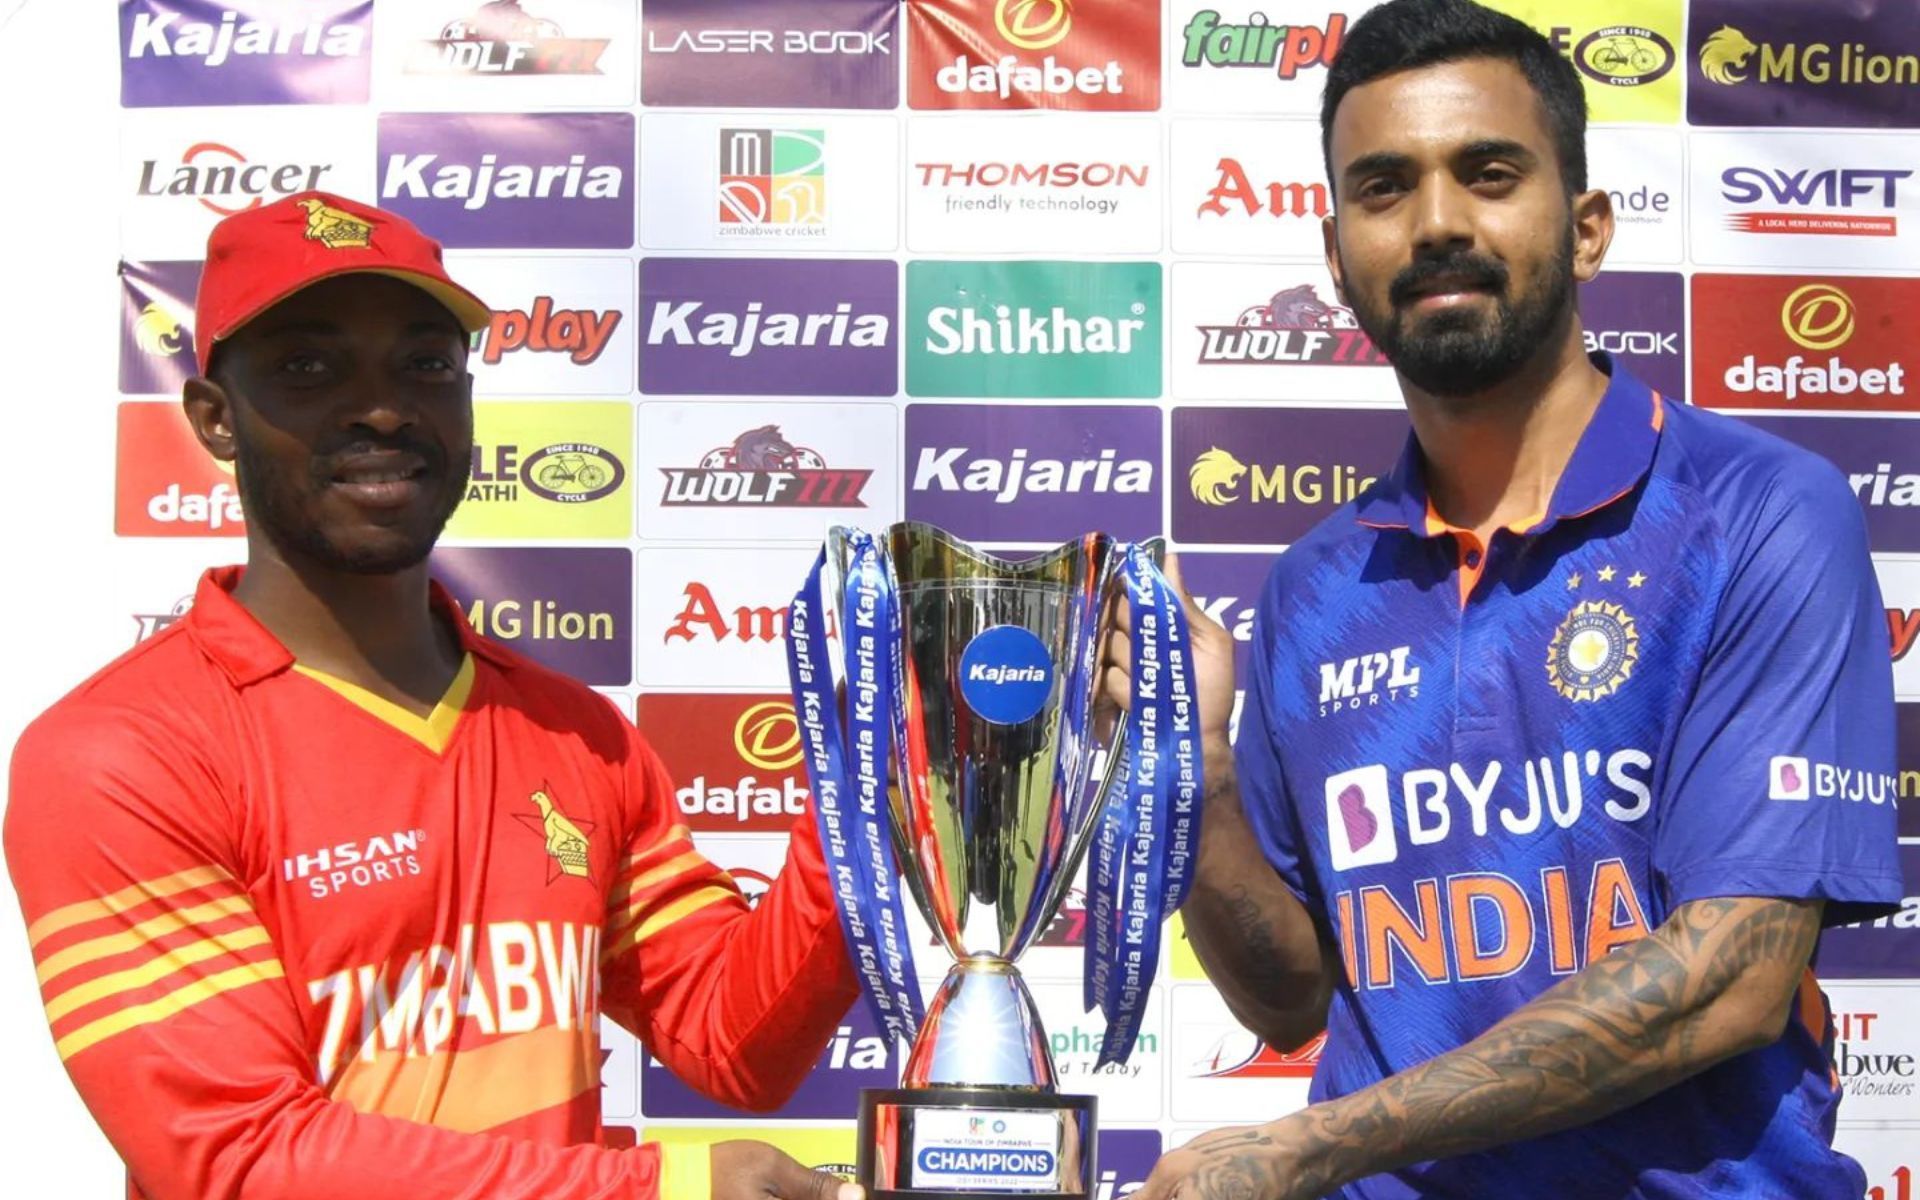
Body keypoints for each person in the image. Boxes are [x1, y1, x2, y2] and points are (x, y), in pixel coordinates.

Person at [1120, 2, 1907, 1196]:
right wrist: (1205, 778)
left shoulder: (1758, 513)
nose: (1437, 222)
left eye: (1488, 175)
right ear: (1338, 262)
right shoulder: (1313, 590)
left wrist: (1313, 1146)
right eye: (1383, 189)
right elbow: (1284, 998)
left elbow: (1734, 977)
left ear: (1586, 229)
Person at [5, 191, 861, 1200]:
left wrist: (871, 794)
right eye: (310, 368)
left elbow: (734, 1042)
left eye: (424, 364)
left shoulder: (578, 735)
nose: (381, 408)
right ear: (215, 420)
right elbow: (234, 1160)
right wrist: (665, 1190)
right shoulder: (119, 753)